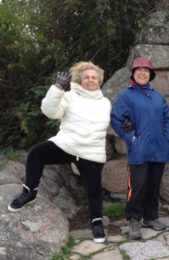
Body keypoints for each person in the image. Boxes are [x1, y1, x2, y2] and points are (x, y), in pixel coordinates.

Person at [8, 61, 111, 243]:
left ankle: (96, 224)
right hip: (67, 143)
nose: (90, 80)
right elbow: (50, 111)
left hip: (91, 152)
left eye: (94, 77)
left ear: (99, 81)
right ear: (80, 79)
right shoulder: (69, 95)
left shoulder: (105, 103)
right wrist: (57, 89)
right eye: (86, 77)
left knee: (93, 189)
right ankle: (30, 192)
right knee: (36, 154)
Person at [111, 57, 169, 240]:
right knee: (137, 186)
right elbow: (116, 118)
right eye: (138, 70)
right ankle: (133, 219)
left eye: (145, 70)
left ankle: (151, 217)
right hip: (139, 149)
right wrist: (130, 138)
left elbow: (165, 120)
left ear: (150, 74)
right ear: (133, 73)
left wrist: (168, 139)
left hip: (159, 149)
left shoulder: (157, 96)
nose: (142, 73)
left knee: (153, 186)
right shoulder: (126, 95)